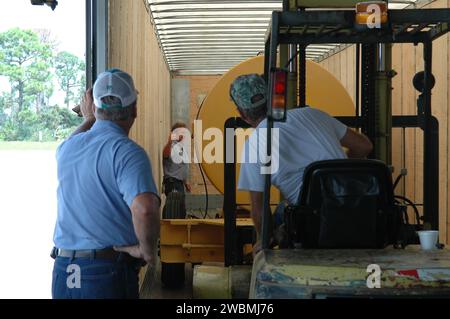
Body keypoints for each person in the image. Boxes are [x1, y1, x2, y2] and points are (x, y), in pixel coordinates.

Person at [51, 69, 161, 299]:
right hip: (105, 275)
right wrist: (146, 252)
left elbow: (73, 139)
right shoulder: (128, 152)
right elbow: (145, 208)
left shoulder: (67, 149)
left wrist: (89, 118)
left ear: (94, 108)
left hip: (64, 272)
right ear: (134, 110)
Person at [230, 74, 373, 247]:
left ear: (242, 113)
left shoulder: (254, 144)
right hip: (358, 207)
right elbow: (364, 146)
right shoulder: (313, 114)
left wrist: (264, 240)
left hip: (314, 225)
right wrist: (339, 171)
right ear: (272, 99)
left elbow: (259, 207)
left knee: (280, 214)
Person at [162, 123, 191, 196]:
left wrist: (185, 183)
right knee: (174, 205)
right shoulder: (171, 146)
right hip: (173, 183)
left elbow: (180, 167)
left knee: (177, 206)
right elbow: (165, 155)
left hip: (179, 183)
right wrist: (170, 141)